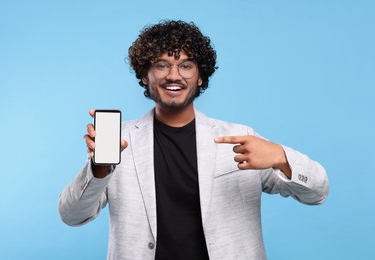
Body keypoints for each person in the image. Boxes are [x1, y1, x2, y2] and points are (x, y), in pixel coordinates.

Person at [59, 20, 329, 260]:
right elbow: (72, 216)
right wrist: (98, 170)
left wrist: (281, 157)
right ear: (145, 75)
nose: (174, 75)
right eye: (161, 65)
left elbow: (318, 192)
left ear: (200, 77)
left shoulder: (240, 139)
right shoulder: (120, 143)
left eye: (186, 65)